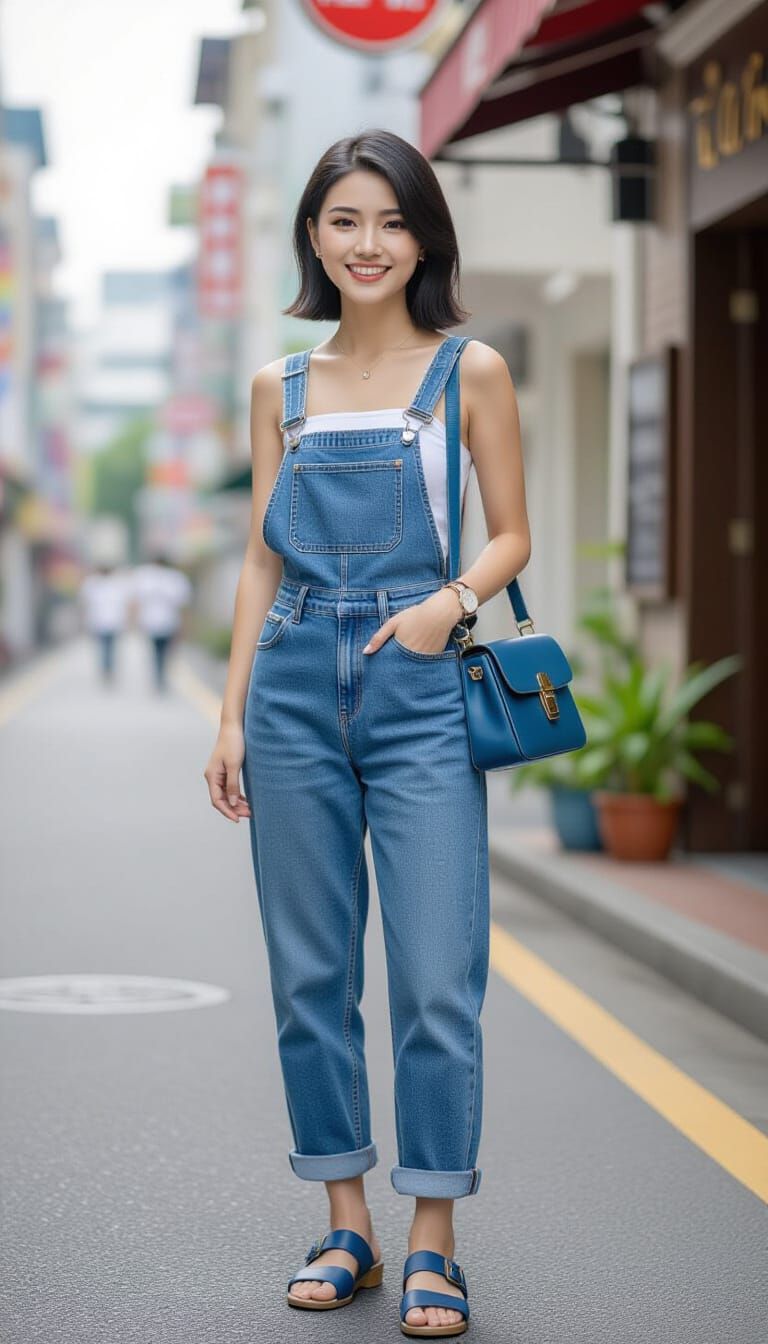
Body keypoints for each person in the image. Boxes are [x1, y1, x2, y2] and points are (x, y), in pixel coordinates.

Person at [204, 129, 531, 1338]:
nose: (367, 244)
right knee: (311, 977)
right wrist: (232, 710)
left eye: (390, 222)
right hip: (291, 678)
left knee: (439, 977)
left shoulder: (470, 370)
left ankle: (434, 1233)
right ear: (312, 236)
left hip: (421, 687)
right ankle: (348, 1222)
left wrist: (450, 605)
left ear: (424, 238)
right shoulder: (276, 389)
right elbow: (256, 557)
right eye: (344, 220)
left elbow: (512, 534)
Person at [131, 552, 192, 692]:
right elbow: (183, 605)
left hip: (154, 622)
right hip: (166, 622)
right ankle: (160, 677)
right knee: (163, 652)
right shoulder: (175, 578)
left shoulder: (145, 576)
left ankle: (159, 677)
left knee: (157, 652)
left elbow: (136, 602)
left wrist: (134, 621)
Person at [79, 562, 132, 684]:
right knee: (106, 647)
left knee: (107, 647)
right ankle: (107, 669)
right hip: (101, 621)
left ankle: (107, 669)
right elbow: (85, 603)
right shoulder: (93, 583)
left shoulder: (115, 583)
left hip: (111, 621)